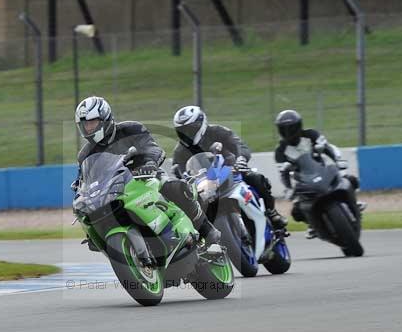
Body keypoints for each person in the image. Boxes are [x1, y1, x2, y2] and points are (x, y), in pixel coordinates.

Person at [73, 96, 221, 251]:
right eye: (85, 125)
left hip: (146, 176)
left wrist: (149, 163)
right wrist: (79, 190)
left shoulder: (130, 129)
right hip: (114, 189)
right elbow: (84, 180)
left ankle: (207, 231)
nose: (88, 128)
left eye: (92, 123)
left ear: (105, 118)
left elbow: (152, 147)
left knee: (176, 188)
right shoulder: (85, 154)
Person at [170, 105, 288, 230]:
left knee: (256, 178)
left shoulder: (218, 131)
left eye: (190, 129)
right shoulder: (180, 151)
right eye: (182, 130)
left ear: (201, 123)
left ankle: (272, 213)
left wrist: (241, 159)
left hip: (229, 170)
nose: (187, 133)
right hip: (203, 185)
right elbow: (179, 171)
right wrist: (181, 181)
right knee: (187, 207)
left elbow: (239, 146)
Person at [273, 109, 366, 238]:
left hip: (323, 170)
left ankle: (354, 204)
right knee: (296, 211)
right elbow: (283, 172)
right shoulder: (280, 150)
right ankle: (312, 223)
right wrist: (289, 188)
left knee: (351, 180)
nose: (288, 132)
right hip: (303, 180)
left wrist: (339, 163)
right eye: (284, 129)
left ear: (299, 126)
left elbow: (329, 148)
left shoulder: (311, 134)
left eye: (291, 128)